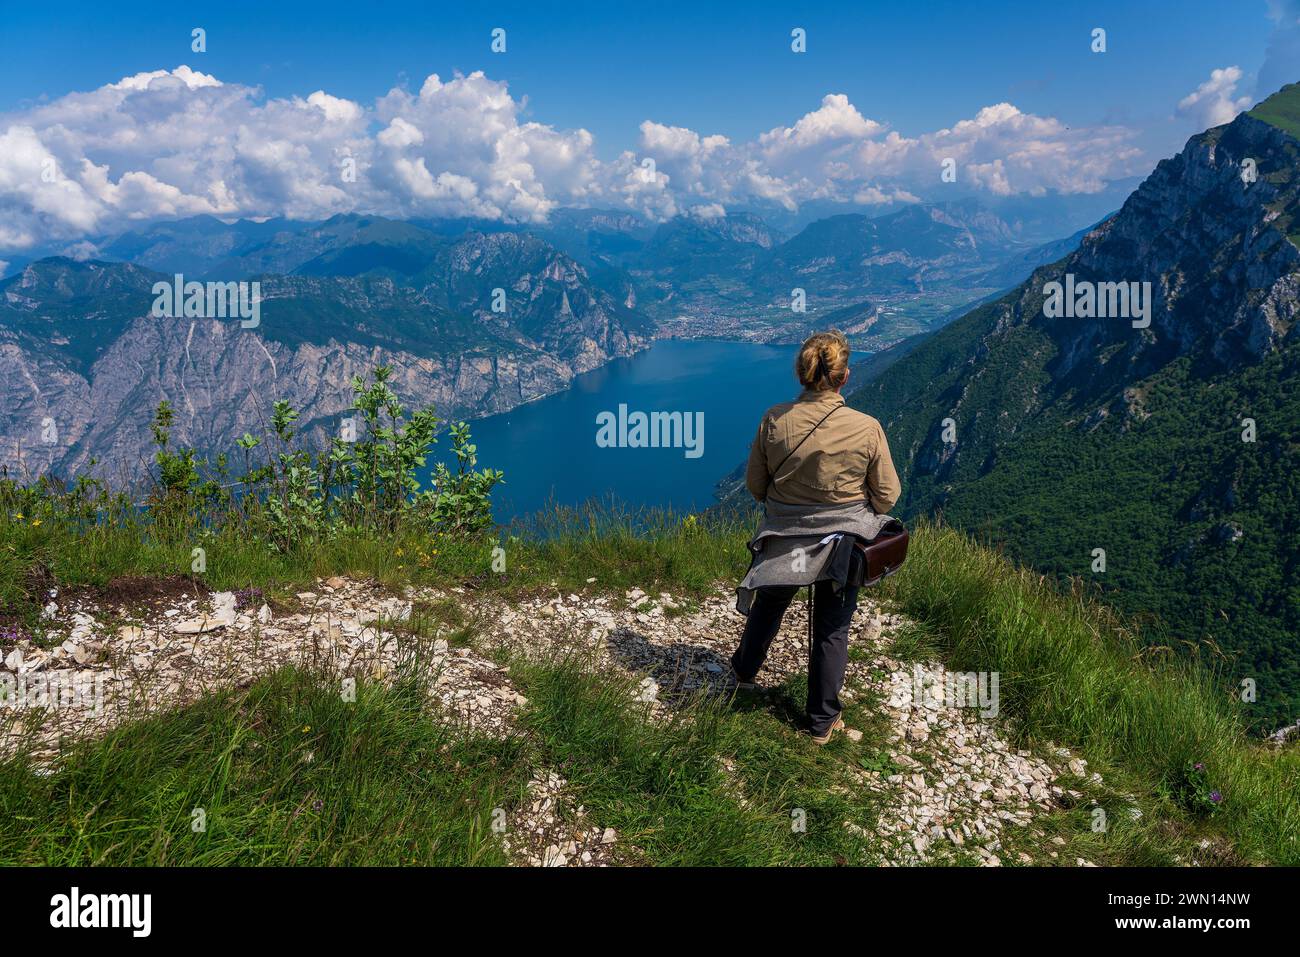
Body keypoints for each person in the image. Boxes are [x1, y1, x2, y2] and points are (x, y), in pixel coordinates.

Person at [730, 329, 901, 745]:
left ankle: (742, 674)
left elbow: (756, 485)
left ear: (802, 374)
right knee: (832, 626)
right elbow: (887, 497)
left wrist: (793, 506)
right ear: (844, 377)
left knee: (769, 605)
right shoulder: (867, 427)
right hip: (842, 547)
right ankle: (821, 721)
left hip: (786, 540)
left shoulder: (774, 419)